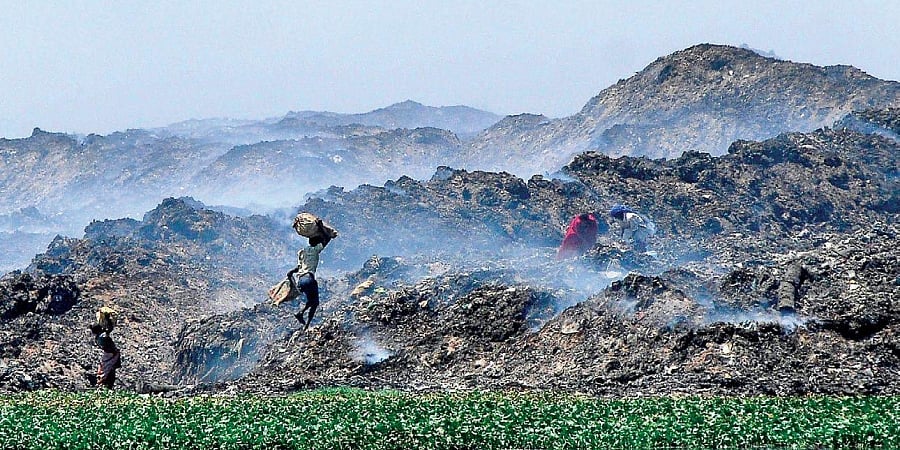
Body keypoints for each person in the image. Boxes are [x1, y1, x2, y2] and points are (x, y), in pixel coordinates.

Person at [287, 219, 332, 330]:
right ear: (316, 243)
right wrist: (320, 226)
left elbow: (298, 268)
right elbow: (327, 239)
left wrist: (291, 273)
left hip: (301, 280)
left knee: (311, 301)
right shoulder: (315, 250)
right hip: (309, 278)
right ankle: (306, 324)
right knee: (315, 303)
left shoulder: (301, 252)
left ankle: (300, 313)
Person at [89, 323, 121, 389]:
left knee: (106, 369)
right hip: (111, 354)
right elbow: (109, 331)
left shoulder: (97, 338)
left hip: (107, 355)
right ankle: (105, 384)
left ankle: (103, 383)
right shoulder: (103, 336)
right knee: (109, 370)